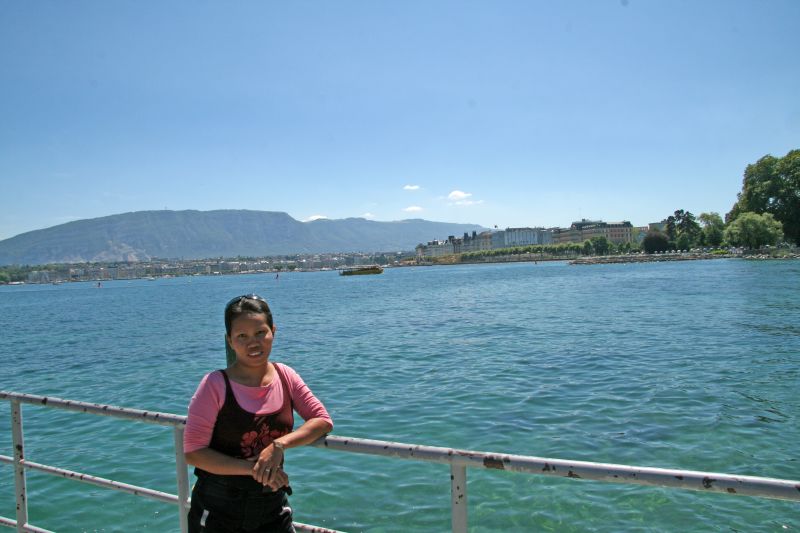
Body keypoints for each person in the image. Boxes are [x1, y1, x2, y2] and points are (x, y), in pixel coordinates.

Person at [184, 294, 333, 532]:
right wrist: (255, 469)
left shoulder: (285, 376)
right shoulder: (215, 384)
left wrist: (279, 445)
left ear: (273, 331)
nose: (253, 343)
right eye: (242, 336)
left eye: (260, 333)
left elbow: (322, 420)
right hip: (219, 510)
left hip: (272, 506)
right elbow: (193, 452)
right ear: (229, 341)